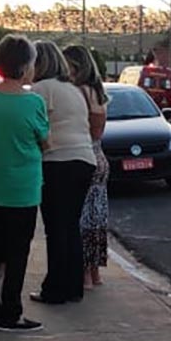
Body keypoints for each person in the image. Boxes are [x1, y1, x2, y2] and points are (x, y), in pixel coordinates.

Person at [0, 34, 49, 332]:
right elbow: (46, 142)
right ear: (26, 65)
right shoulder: (34, 102)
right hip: (23, 190)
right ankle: (10, 313)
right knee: (17, 254)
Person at [31, 41, 96, 305]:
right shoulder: (72, 89)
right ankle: (73, 287)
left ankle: (55, 290)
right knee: (70, 226)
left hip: (57, 161)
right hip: (84, 159)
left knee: (55, 228)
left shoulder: (40, 89)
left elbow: (34, 128)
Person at [64, 44, 110, 289]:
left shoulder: (78, 92)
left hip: (84, 156)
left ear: (76, 66)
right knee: (96, 219)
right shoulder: (97, 91)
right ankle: (95, 274)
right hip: (99, 156)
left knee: (81, 219)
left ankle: (83, 274)